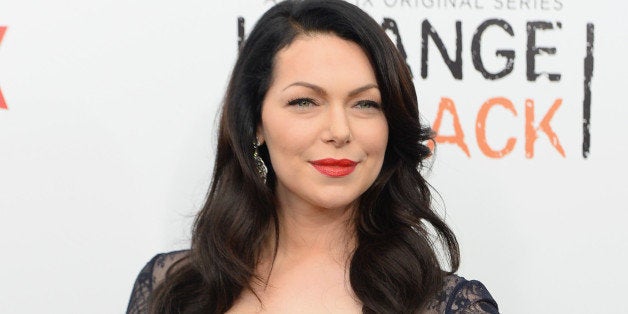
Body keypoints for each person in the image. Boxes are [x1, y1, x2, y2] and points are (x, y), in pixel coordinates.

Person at [126, 0, 499, 313]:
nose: (339, 130)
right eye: (305, 101)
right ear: (256, 122)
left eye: (365, 104)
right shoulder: (172, 288)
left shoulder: (448, 305)